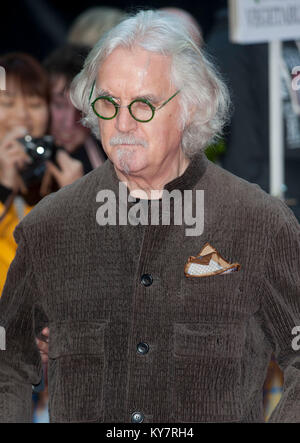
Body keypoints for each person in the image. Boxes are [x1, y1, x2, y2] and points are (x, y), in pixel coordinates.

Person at [0, 10, 299, 423]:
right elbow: (7, 363)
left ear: (191, 107)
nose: (122, 123)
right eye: (108, 103)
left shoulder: (260, 225)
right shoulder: (48, 228)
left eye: (144, 105)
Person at [0, 53, 84, 296]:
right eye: (7, 103)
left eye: (35, 104)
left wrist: (75, 202)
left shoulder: (60, 172)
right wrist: (4, 187)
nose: (23, 115)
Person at [44, 44, 106, 184]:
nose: (69, 122)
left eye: (80, 109)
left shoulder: (113, 153)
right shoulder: (23, 159)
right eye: (59, 105)